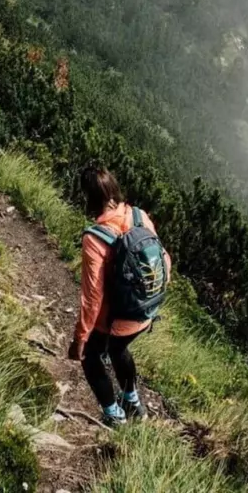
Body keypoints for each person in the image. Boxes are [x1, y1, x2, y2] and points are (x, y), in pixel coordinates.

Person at [68, 165, 172, 427]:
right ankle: (133, 401)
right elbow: (164, 260)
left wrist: (80, 338)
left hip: (116, 320)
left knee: (91, 356)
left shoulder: (96, 238)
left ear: (88, 198)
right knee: (119, 348)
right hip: (144, 313)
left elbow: (92, 298)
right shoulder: (140, 217)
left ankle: (114, 416)